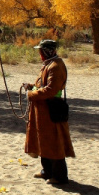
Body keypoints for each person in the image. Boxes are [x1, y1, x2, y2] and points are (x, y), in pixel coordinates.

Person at [24, 39, 75, 185]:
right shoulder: (49, 64)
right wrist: (31, 86)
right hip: (42, 112)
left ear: (46, 51)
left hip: (51, 110)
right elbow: (42, 85)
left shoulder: (56, 66)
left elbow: (51, 90)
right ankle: (47, 171)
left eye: (41, 51)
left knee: (54, 142)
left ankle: (59, 177)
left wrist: (31, 95)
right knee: (43, 141)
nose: (39, 54)